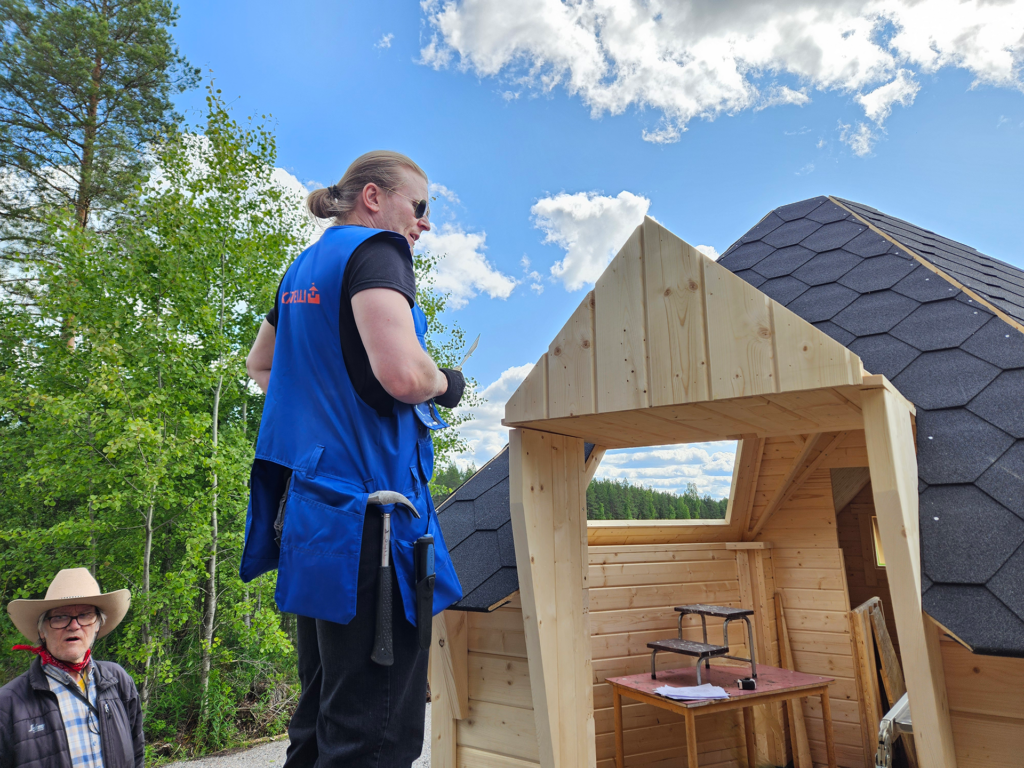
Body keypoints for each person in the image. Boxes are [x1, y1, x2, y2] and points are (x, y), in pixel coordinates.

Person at [240, 150, 465, 767]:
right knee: (374, 736)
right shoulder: (378, 251)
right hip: (375, 527)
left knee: (320, 721)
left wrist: (325, 412)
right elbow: (404, 376)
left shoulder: (303, 268)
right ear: (373, 197)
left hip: (314, 523)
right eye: (419, 206)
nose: (424, 222)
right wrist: (447, 383)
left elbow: (262, 365)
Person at [0, 568, 143, 768]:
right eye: (60, 617)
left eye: (84, 615)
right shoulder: (8, 703)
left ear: (97, 625)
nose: (74, 626)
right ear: (42, 631)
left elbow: (137, 755)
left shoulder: (118, 681)